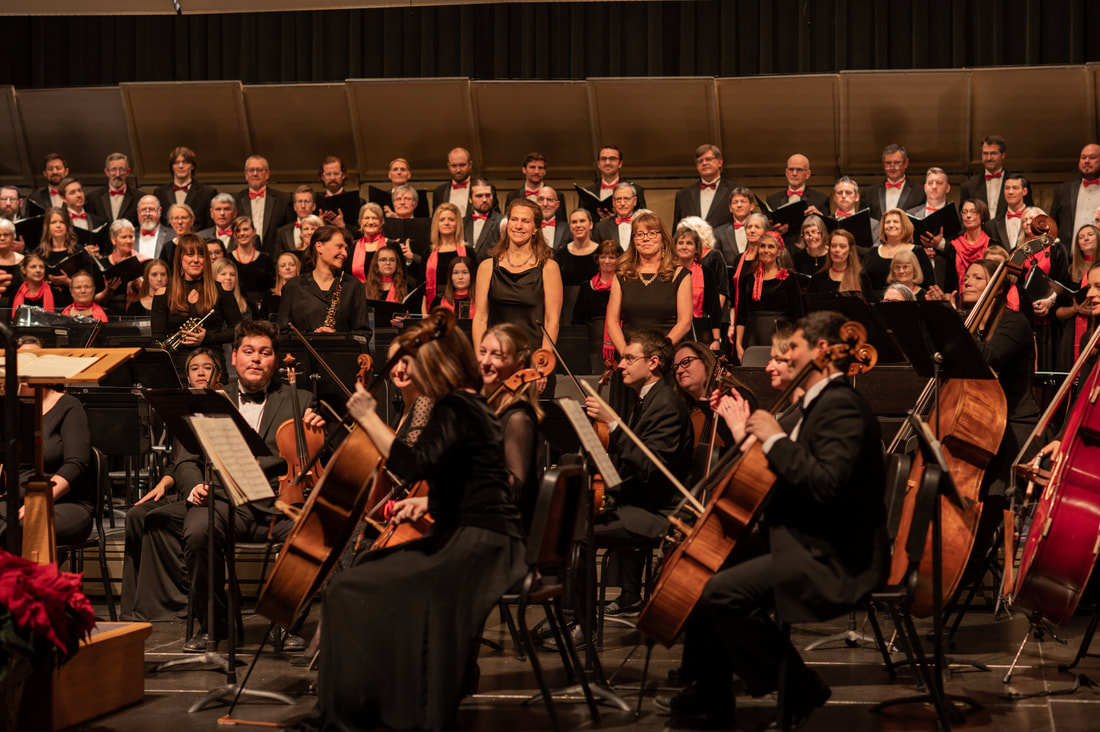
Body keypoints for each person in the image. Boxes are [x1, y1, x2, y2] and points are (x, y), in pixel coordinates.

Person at [294, 312, 526, 732]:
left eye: (411, 361)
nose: (403, 370)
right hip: (472, 535)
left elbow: (411, 462)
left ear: (434, 362)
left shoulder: (455, 405)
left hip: (478, 544)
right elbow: (458, 471)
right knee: (364, 568)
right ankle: (380, 699)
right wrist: (428, 503)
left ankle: (368, 711)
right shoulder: (464, 405)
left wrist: (367, 417)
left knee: (348, 587)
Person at [659, 311, 887, 729]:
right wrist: (745, 429)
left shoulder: (842, 407)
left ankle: (800, 685)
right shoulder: (812, 407)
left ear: (821, 352)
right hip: (803, 536)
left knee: (722, 593)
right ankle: (712, 690)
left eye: (793, 348)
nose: (781, 358)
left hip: (833, 553)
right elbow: (775, 472)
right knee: (712, 564)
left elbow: (825, 484)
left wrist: (774, 437)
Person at [136, 320, 323, 650]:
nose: (255, 359)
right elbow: (186, 460)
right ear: (234, 357)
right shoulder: (212, 399)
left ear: (275, 361)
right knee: (197, 533)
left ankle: (287, 624)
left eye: (264, 353)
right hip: (222, 500)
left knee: (311, 533)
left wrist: (318, 432)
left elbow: (315, 460)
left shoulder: (301, 398)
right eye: (248, 351)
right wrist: (194, 487)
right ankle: (216, 626)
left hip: (277, 502)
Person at [578, 329, 694, 621]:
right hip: (643, 502)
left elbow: (647, 468)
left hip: (660, 512)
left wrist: (613, 424)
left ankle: (582, 621)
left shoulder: (666, 405)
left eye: (629, 358)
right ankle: (619, 600)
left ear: (653, 363)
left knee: (578, 535)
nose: (620, 365)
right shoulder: (648, 400)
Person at [120, 347, 223, 620]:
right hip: (182, 485)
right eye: (194, 368)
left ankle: (172, 602)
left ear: (219, 374)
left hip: (206, 489)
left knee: (156, 518)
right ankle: (131, 608)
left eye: (207, 367)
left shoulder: (223, 404)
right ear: (187, 378)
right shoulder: (183, 407)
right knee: (135, 515)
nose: (201, 372)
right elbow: (177, 461)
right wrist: (164, 483)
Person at [0, 349, 95, 547]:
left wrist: (40, 501)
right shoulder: (9, 409)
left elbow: (76, 464)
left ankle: (29, 578)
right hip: (14, 500)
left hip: (65, 502)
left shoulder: (69, 406)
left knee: (23, 528)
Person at [473, 197, 563, 354]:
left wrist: (543, 360)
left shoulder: (549, 268)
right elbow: (480, 318)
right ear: (508, 224)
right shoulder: (486, 267)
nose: (518, 226)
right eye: (514, 219)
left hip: (534, 357)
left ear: (535, 228)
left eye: (525, 221)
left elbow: (552, 320)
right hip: (496, 356)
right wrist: (481, 356)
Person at [479, 323, 543, 523]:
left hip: (504, 534)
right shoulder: (488, 410)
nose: (485, 361)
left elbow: (515, 493)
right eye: (482, 352)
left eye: (497, 355)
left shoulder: (518, 419)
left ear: (520, 366)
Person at [604, 211, 692, 356]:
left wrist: (658, 352)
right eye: (639, 234)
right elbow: (612, 323)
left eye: (652, 233)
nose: (645, 238)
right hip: (630, 357)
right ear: (633, 241)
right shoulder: (622, 275)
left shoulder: (679, 274)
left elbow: (684, 323)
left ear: (663, 239)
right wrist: (627, 353)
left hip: (666, 355)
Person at [672, 340, 756, 481]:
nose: (680, 370)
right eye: (675, 367)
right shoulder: (686, 411)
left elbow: (748, 452)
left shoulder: (736, 397)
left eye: (686, 362)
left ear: (705, 361)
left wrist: (709, 409)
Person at [151, 234, 244, 353]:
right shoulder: (163, 294)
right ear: (180, 258)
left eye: (201, 255)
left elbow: (239, 331)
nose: (196, 260)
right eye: (190, 254)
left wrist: (208, 338)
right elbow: (157, 340)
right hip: (177, 362)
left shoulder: (222, 291)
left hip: (212, 359)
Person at [277, 224, 371, 334]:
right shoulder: (293, 287)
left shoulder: (354, 286)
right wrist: (314, 338)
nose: (345, 253)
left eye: (346, 249)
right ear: (319, 247)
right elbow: (283, 332)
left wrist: (336, 337)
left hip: (341, 351)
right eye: (339, 247)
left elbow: (363, 333)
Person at [733, 233, 804, 362]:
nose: (766, 250)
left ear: (778, 252)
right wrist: (738, 344)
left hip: (781, 335)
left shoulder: (789, 278)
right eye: (763, 246)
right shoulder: (748, 278)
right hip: (753, 335)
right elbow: (741, 315)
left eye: (771, 247)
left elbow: (798, 315)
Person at [862, 208, 936, 296]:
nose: (891, 225)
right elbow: (863, 282)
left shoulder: (917, 251)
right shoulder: (871, 252)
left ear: (904, 225)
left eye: (895, 222)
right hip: (876, 304)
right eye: (887, 222)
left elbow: (929, 284)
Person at [673, 221, 723, 349]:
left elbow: (714, 308)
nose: (684, 247)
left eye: (689, 243)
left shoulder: (706, 273)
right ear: (674, 247)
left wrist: (716, 339)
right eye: (680, 243)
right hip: (672, 329)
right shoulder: (667, 272)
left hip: (699, 329)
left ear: (696, 249)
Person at [1056, 224, 1100, 368]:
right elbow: (1057, 312)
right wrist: (1076, 309)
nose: (1085, 238)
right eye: (1081, 237)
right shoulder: (1069, 272)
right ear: (1078, 246)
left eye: (1090, 235)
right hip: (1071, 332)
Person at [572, 240, 619, 371]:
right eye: (603, 257)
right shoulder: (587, 286)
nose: (607, 261)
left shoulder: (623, 285)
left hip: (619, 346)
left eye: (612, 257)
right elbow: (577, 320)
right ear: (597, 259)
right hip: (591, 348)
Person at [415, 202, 470, 312]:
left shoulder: (468, 252)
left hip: (463, 307)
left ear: (457, 223)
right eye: (442, 220)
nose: (446, 223)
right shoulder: (428, 253)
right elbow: (421, 289)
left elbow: (476, 285)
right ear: (437, 224)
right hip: (435, 308)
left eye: (451, 219)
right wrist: (424, 313)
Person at [959, 135, 1031, 219]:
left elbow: (1029, 213)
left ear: (1003, 155)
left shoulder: (1020, 183)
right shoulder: (968, 186)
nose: (989, 158)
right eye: (985, 153)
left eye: (993, 153)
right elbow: (963, 218)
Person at [234, 155, 293, 256]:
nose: (255, 173)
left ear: (267, 174)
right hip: (244, 258)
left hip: (275, 258)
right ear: (246, 174)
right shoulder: (236, 200)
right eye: (251, 170)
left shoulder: (284, 199)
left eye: (259, 170)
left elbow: (289, 231)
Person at [1049, 143, 1100, 252]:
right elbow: (1052, 226)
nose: (1086, 161)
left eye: (1092, 157)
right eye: (1083, 157)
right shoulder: (1064, 190)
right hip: (1071, 259)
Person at [153, 146, 218, 231]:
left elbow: (210, 227)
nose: (180, 166)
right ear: (172, 167)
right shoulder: (160, 193)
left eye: (185, 162)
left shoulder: (208, 193)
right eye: (176, 162)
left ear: (193, 166)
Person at [673, 144, 736, 229]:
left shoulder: (735, 190)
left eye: (708, 159)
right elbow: (677, 232)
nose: (704, 163)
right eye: (700, 161)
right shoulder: (683, 195)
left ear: (720, 162)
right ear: (697, 166)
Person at [765, 153, 830, 234]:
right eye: (791, 169)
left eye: (799, 169)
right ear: (786, 172)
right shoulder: (772, 200)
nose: (794, 173)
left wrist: (820, 216)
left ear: (808, 174)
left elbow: (828, 231)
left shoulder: (821, 199)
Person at [96, 219, 147, 316]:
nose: (128, 241)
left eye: (131, 237)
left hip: (137, 315)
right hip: (109, 315)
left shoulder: (142, 261)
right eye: (124, 237)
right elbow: (94, 300)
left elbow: (150, 296)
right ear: (113, 239)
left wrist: (141, 285)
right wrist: (108, 291)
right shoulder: (102, 264)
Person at [228, 215, 275, 313]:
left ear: (254, 231)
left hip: (261, 309)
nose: (242, 233)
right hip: (235, 307)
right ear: (233, 234)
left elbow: (271, 287)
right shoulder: (228, 259)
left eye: (245, 229)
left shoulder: (265, 259)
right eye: (238, 230)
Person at [866, 143, 925, 220]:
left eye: (897, 162)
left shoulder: (920, 191)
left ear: (906, 163)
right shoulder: (869, 193)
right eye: (888, 163)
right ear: (883, 163)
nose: (892, 167)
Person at [808, 229, 872, 299]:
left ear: (850, 250)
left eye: (842, 246)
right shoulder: (817, 278)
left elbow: (869, 307)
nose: (837, 250)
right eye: (833, 246)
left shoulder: (862, 277)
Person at [949, 199, 994, 297]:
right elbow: (949, 282)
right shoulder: (954, 246)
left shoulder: (992, 244)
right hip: (959, 299)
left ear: (982, 215)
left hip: (986, 297)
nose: (968, 216)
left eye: (973, 212)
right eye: (964, 212)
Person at [86, 152, 139, 226]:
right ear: (107, 172)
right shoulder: (93, 198)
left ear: (128, 172)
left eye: (122, 169)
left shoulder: (139, 198)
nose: (117, 174)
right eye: (113, 169)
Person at [985, 173, 1031, 252]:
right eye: (1007, 188)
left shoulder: (1037, 218)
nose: (1010, 192)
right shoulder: (992, 225)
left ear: (1024, 191)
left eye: (1015, 188)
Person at [712, 186, 757, 263]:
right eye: (735, 202)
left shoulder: (762, 229)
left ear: (751, 207)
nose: (739, 205)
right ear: (730, 208)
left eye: (743, 201)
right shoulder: (718, 233)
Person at [347, 202, 388, 282]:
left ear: (382, 221)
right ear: (360, 221)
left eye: (375, 218)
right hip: (358, 293)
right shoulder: (352, 247)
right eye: (366, 218)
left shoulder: (391, 245)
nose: (370, 222)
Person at [464, 179, 504, 260]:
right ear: (470, 199)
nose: (485, 199)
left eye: (488, 195)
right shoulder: (462, 222)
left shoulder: (502, 221)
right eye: (479, 196)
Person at [593, 182, 639, 250]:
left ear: (634, 201)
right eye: (618, 199)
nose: (622, 203)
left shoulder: (644, 225)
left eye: (626, 199)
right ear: (613, 202)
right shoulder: (601, 228)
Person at [431, 147, 475, 216]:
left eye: (462, 165)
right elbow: (436, 221)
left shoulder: (483, 188)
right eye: (454, 166)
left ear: (470, 165)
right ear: (448, 166)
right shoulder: (439, 192)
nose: (458, 170)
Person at [276, 185, 319, 253]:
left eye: (307, 201)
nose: (303, 206)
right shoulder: (282, 232)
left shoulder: (321, 229)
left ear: (313, 206)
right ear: (294, 207)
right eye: (299, 201)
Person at [133, 194, 173, 262]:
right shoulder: (129, 236)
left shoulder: (172, 235)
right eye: (143, 209)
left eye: (151, 209)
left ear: (159, 211)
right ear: (138, 212)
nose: (147, 214)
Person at [264, 251, 301, 320]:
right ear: (279, 271)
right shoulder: (269, 296)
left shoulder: (305, 294)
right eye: (283, 265)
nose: (287, 268)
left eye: (292, 265)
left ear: (298, 268)